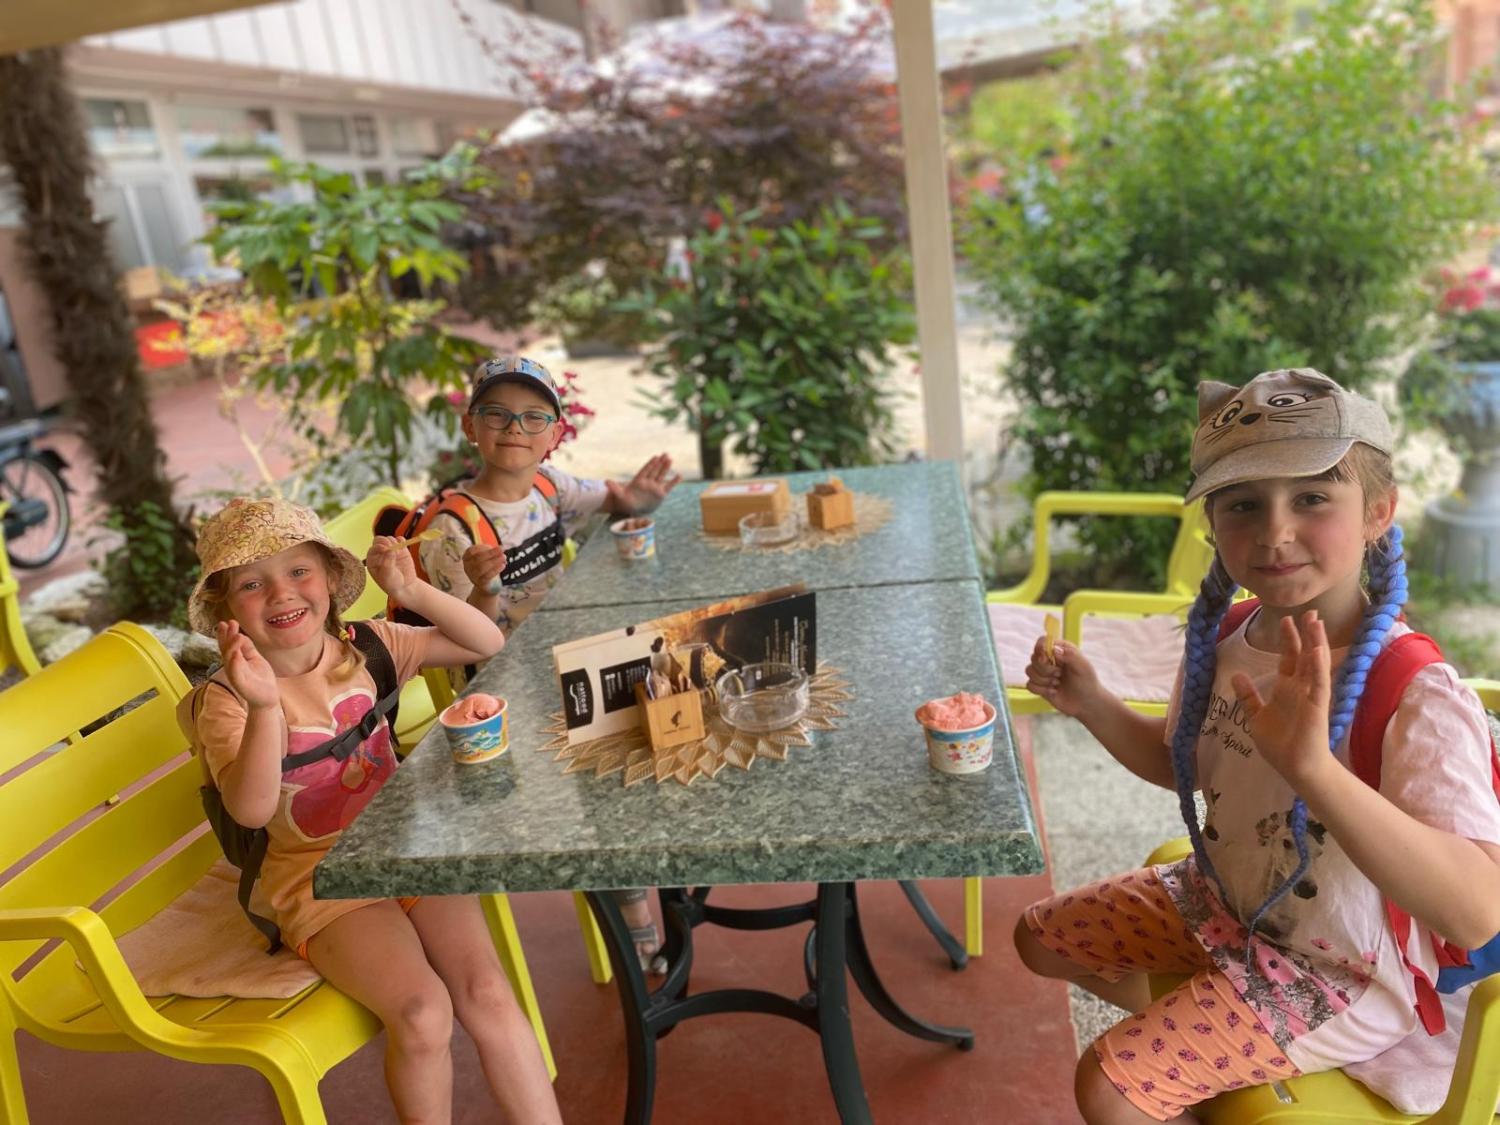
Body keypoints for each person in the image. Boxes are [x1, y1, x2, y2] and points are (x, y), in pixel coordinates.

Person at [1014, 368, 1500, 1124]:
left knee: (1108, 1087)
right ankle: (1210, 1040)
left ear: (1378, 512)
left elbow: (1478, 912)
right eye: (1243, 503)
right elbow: (1180, 763)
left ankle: (1205, 1057)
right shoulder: (1225, 638)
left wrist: (1312, 769)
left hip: (1339, 969)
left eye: (1312, 498)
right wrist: (1092, 704)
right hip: (1227, 903)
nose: (1275, 532)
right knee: (1039, 937)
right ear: (1212, 523)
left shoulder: (1415, 692)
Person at [180, 497, 561, 1124]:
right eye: (252, 583)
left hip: (404, 846)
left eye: (298, 571)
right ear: (226, 610)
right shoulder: (226, 701)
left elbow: (486, 639)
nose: (281, 593)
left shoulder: (370, 646)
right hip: (318, 879)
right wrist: (265, 706)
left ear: (330, 580)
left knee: (488, 991)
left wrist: (410, 590)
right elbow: (250, 811)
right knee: (422, 1013)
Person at [420, 354, 681, 975]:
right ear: (471, 426)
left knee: (677, 690)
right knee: (618, 762)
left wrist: (634, 499)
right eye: (497, 414)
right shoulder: (451, 529)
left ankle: (659, 866)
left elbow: (610, 497)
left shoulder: (549, 487)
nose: (516, 428)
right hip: (508, 688)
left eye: (534, 417)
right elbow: (470, 643)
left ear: (555, 435)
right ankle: (636, 916)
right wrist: (484, 588)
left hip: (567, 662)